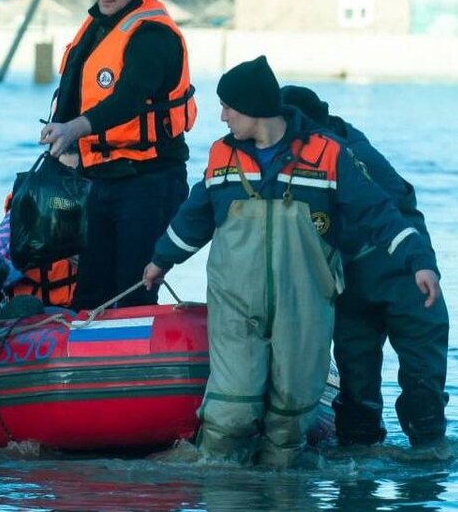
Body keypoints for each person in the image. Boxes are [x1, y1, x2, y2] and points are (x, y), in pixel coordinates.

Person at [141, 57, 441, 468]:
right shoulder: (222, 157)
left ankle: (299, 478)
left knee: (295, 410)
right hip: (239, 303)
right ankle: (224, 475)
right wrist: (161, 260)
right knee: (233, 408)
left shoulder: (333, 156)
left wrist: (419, 263)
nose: (222, 115)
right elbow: (196, 215)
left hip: (320, 302)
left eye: (229, 106)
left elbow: (382, 213)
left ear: (255, 108)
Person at [281, 85, 451, 457]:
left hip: (405, 279)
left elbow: (398, 206)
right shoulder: (294, 156)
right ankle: (362, 450)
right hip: (351, 284)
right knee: (357, 386)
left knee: (422, 380)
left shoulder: (350, 155)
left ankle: (426, 451)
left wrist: (422, 264)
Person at [39, 0, 196, 310]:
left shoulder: (153, 36)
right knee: (91, 288)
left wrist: (75, 129)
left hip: (149, 179)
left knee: (132, 288)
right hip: (100, 179)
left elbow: (129, 98)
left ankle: (134, 361)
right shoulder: (96, 27)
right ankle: (80, 361)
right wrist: (60, 140)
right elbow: (73, 86)